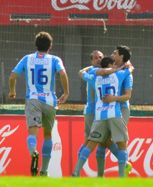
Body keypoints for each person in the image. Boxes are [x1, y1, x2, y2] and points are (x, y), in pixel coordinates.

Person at [8, 31, 69, 176]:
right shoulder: (54, 59)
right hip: (49, 101)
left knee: (32, 133)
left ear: (36, 45)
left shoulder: (27, 58)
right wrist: (66, 92)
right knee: (48, 135)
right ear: (50, 46)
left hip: (33, 99)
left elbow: (12, 76)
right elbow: (62, 73)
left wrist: (12, 91)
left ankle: (33, 152)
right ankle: (44, 170)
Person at [73, 56, 134, 177]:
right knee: (122, 145)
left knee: (91, 143)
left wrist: (93, 68)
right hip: (114, 114)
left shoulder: (94, 78)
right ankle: (121, 177)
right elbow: (131, 69)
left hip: (99, 116)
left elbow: (81, 73)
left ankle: (76, 171)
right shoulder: (119, 75)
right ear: (111, 65)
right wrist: (127, 66)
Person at [97, 45, 133, 177]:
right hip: (107, 109)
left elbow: (127, 96)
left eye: (115, 53)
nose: (112, 55)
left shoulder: (127, 74)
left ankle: (121, 174)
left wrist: (113, 98)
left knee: (120, 141)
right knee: (102, 140)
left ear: (121, 57)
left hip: (121, 109)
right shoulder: (112, 70)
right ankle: (100, 177)